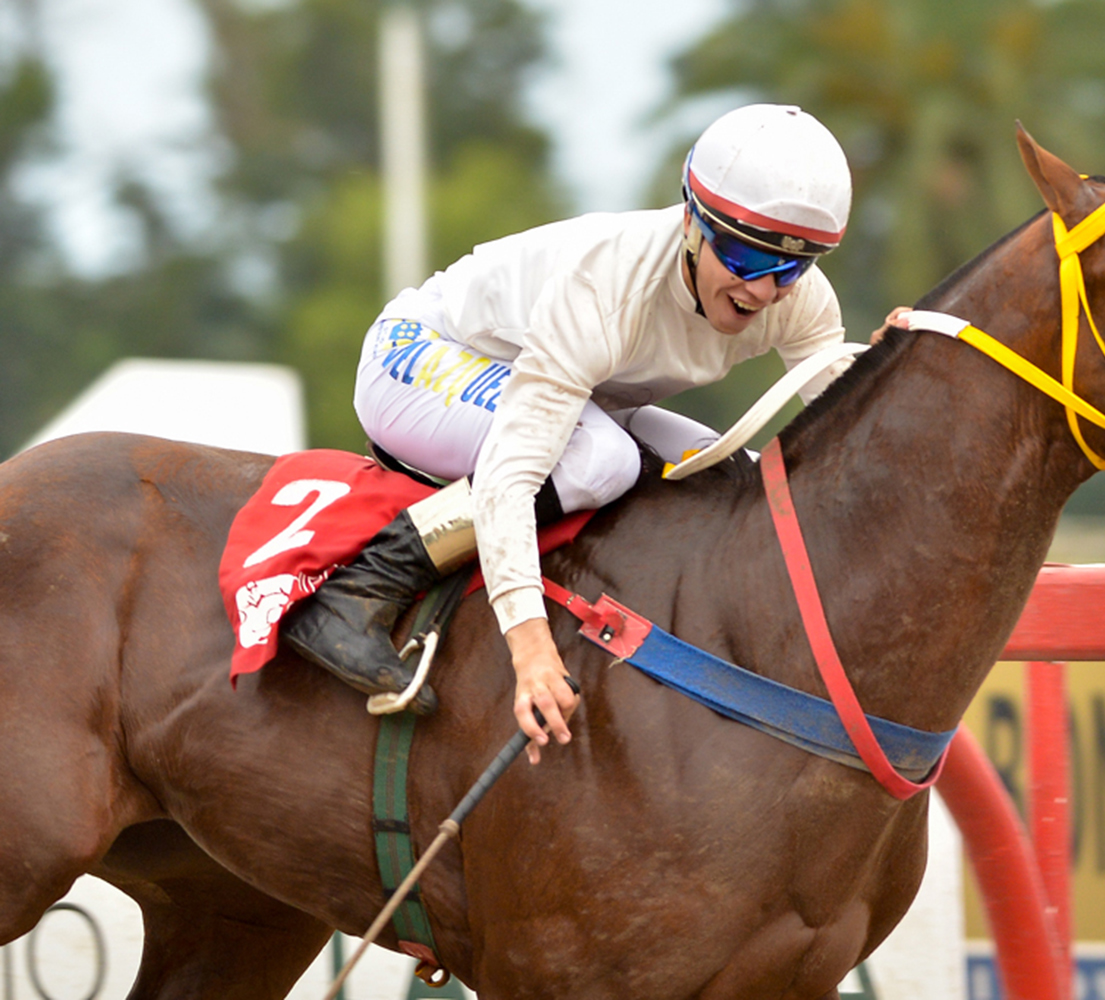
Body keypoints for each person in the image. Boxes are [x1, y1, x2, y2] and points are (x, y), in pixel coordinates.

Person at [282, 103, 872, 762]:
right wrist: (530, 648)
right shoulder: (608, 285)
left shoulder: (801, 301)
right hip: (419, 358)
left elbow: (853, 421)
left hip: (575, 392)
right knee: (601, 458)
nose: (761, 291)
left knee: (729, 473)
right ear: (691, 221)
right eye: (741, 255)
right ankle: (363, 588)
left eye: (789, 268)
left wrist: (904, 360)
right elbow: (511, 475)